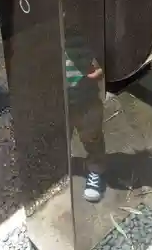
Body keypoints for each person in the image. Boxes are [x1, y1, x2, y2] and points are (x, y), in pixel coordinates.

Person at [64, 22, 107, 203]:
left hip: (84, 92)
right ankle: (58, 167)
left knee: (91, 135)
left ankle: (96, 168)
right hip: (53, 92)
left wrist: (103, 63)